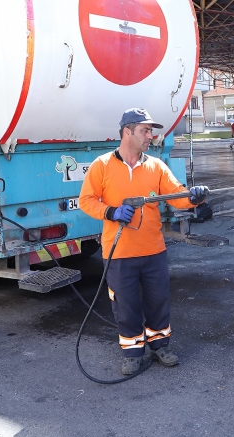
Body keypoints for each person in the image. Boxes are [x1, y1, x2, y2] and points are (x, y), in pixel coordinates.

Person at [79, 108, 209, 375]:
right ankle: (132, 352)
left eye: (151, 131)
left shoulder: (156, 166)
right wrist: (111, 212)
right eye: (145, 130)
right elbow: (87, 200)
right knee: (125, 305)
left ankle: (160, 345)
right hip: (120, 253)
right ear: (127, 132)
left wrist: (195, 198)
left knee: (157, 301)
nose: (151, 135)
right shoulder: (101, 166)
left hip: (153, 251)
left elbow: (176, 196)